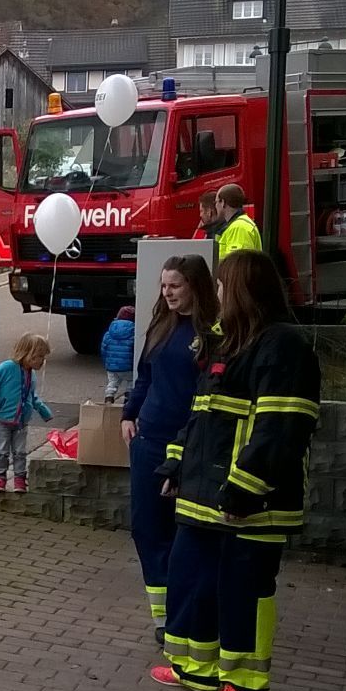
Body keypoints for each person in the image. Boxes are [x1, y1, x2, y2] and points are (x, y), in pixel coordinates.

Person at [152, 249, 320, 691]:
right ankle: (195, 669)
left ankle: (245, 684)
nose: (218, 294)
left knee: (244, 590)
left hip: (252, 504)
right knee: (189, 577)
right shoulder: (227, 344)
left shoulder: (283, 347)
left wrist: (245, 489)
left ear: (245, 291)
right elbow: (201, 419)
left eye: (224, 286)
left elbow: (280, 429)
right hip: (205, 500)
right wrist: (174, 467)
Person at [120, 255, 217, 647]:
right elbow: (145, 375)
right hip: (147, 442)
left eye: (174, 286)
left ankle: (183, 612)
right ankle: (163, 615)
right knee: (145, 528)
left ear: (195, 285)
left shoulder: (210, 334)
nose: (167, 293)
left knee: (182, 535)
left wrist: (185, 449)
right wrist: (129, 412)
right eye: (163, 286)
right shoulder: (161, 324)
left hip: (186, 445)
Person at [0, 332, 54, 494]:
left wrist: (44, 411)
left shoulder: (30, 375)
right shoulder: (7, 367)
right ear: (28, 354)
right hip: (2, 418)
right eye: (40, 357)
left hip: (21, 420)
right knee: (2, 450)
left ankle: (19, 478)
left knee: (20, 451)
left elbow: (31, 396)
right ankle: (0, 477)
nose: (42, 361)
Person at [214, 184, 262, 261]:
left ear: (223, 202)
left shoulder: (238, 228)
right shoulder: (239, 224)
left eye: (216, 202)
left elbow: (237, 266)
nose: (215, 206)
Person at [100, 305, 136, 404]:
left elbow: (103, 349)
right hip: (128, 366)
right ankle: (128, 400)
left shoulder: (109, 333)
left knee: (112, 383)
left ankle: (109, 398)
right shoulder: (134, 333)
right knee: (131, 382)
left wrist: (106, 363)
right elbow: (135, 350)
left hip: (112, 366)